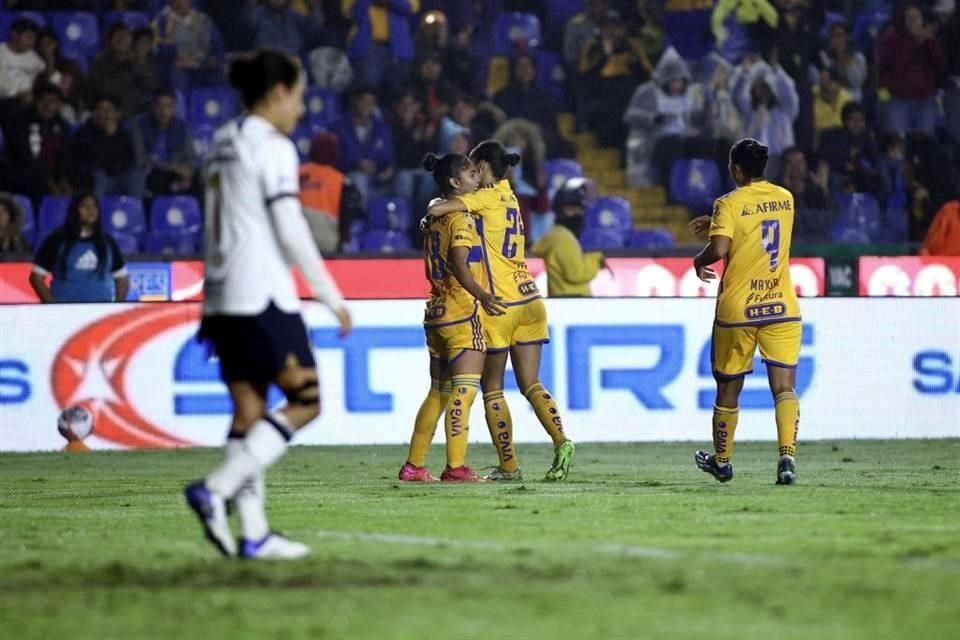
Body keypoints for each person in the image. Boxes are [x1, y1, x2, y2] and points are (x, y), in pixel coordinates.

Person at [184, 49, 352, 561]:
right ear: (278, 92)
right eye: (299, 97)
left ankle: (254, 534)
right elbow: (290, 227)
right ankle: (215, 488)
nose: (301, 110)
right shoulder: (273, 146)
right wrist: (330, 294)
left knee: (250, 411)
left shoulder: (221, 141)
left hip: (218, 299)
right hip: (261, 295)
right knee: (307, 401)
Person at [427, 141, 576, 482]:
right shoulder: (510, 196)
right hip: (531, 297)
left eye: (473, 167)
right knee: (531, 383)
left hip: (500, 302)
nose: (472, 174)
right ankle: (562, 441)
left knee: (492, 387)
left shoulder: (484, 196)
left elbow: (439, 210)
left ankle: (509, 466)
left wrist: (428, 213)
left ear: (481, 167)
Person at [688, 138, 801, 486]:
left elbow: (721, 247)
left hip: (739, 309)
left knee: (728, 387)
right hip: (782, 305)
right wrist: (718, 222)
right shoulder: (786, 198)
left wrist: (698, 259)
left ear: (736, 169)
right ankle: (787, 457)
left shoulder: (729, 203)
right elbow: (759, 227)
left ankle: (722, 462)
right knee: (783, 388)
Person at [398, 152, 505, 483]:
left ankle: (414, 466)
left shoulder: (434, 216)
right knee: (465, 390)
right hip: (459, 311)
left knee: (439, 392)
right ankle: (456, 467)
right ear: (455, 182)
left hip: (435, 312)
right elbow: (460, 263)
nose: (477, 177)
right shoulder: (462, 219)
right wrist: (483, 295)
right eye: (472, 173)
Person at [29, 191, 130, 303]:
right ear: (74, 209)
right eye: (85, 206)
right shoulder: (57, 239)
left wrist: (116, 307)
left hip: (101, 311)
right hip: (65, 311)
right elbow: (36, 277)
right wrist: (53, 306)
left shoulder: (108, 242)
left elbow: (122, 279)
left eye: (94, 206)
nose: (90, 210)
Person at [532, 177, 605, 297]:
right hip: (572, 302)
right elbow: (576, 273)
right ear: (560, 210)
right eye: (571, 209)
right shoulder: (563, 237)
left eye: (580, 209)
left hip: (565, 300)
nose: (577, 214)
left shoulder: (555, 234)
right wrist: (596, 259)